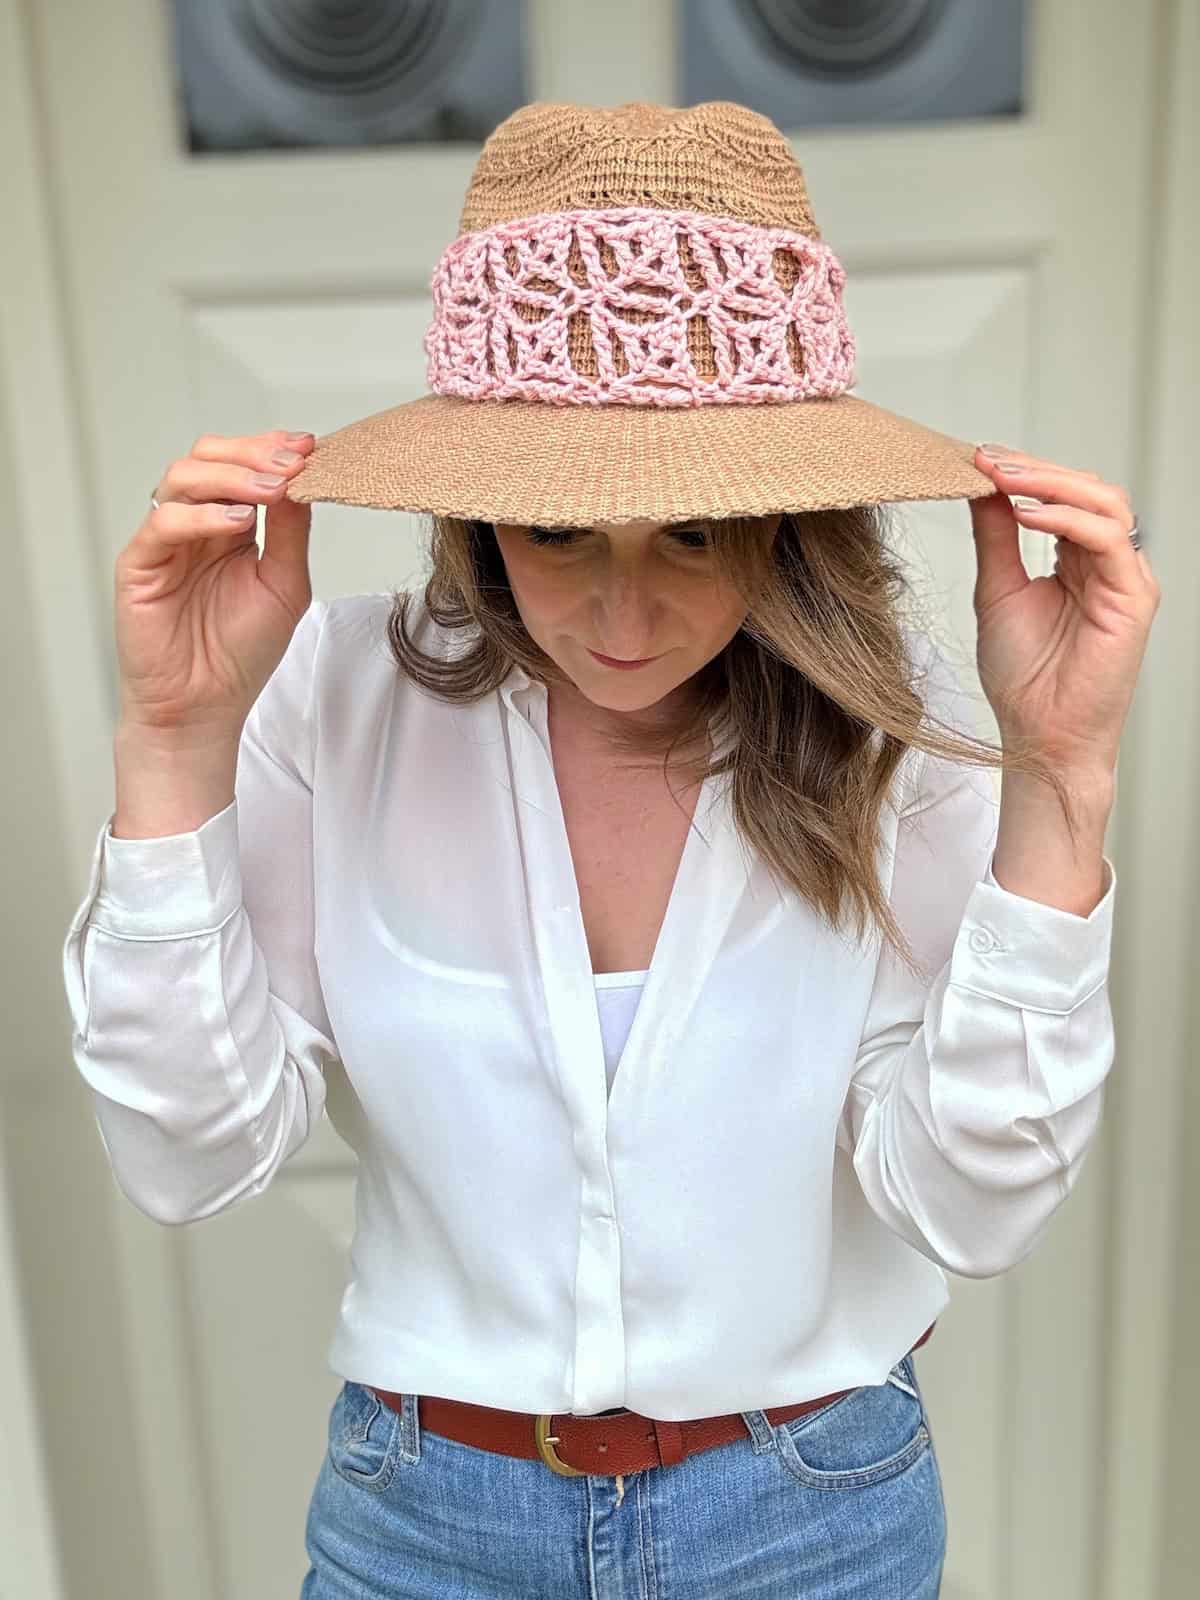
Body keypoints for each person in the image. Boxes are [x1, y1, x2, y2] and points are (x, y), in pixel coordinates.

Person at [61, 100, 1156, 1598]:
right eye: (562, 534)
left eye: (694, 535)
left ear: (784, 519)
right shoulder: (334, 694)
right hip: (419, 1525)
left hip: (812, 1520)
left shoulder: (894, 735)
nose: (622, 621)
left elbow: (970, 1206)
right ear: (478, 512)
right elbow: (190, 1158)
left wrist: (1062, 774)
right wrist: (175, 749)